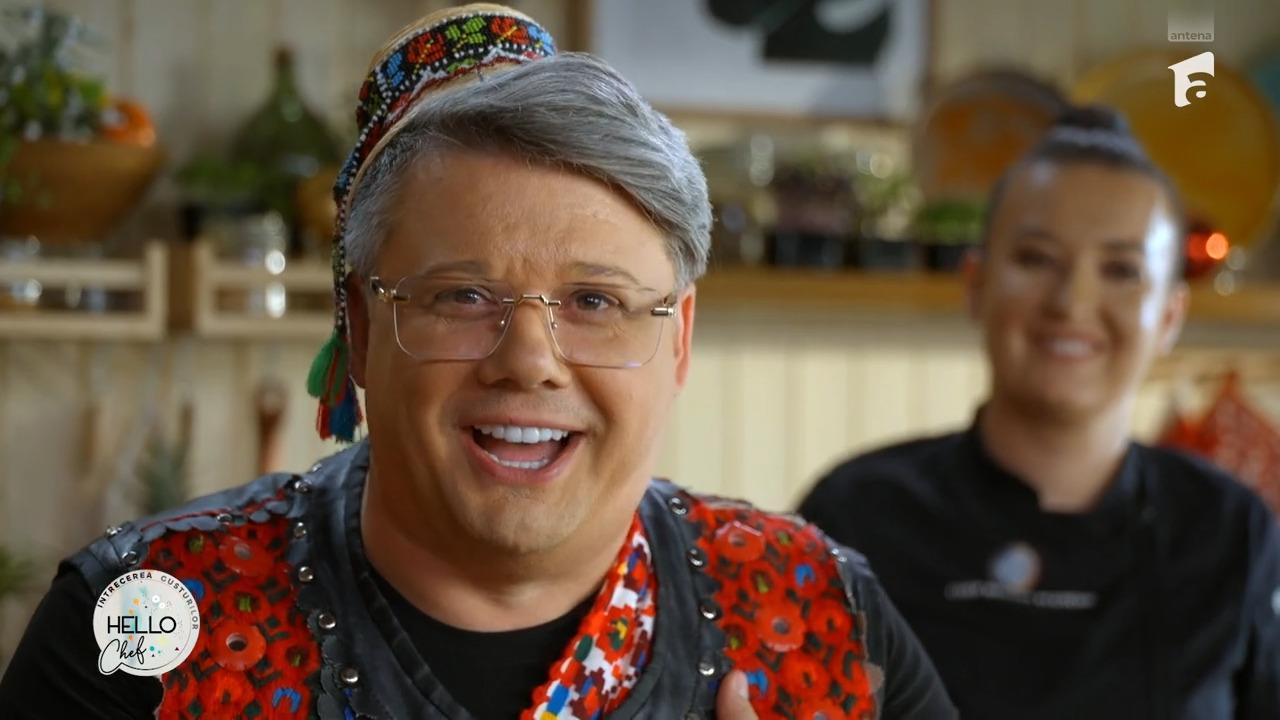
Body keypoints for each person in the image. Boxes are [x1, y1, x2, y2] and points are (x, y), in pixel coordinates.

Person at [0, 5, 955, 718]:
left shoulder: (816, 613)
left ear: (679, 339)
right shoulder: (145, 624)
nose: (529, 362)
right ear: (359, 329)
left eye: (595, 303)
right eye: (462, 296)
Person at [799, 106, 1280, 719]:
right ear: (976, 285)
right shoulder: (858, 514)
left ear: (1169, 316)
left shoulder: (1229, 533)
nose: (1072, 302)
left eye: (1121, 270)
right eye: (1036, 259)